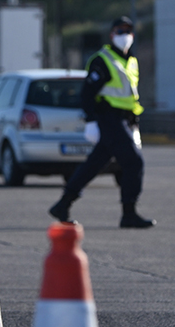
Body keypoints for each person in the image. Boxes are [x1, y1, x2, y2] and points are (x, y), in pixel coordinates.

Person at [49, 16, 155, 229]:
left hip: (124, 120)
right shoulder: (103, 60)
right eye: (120, 31)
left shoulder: (131, 60)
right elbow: (88, 94)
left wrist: (134, 122)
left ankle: (63, 204)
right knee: (134, 162)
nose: (124, 36)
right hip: (109, 118)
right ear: (111, 35)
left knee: (95, 164)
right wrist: (91, 121)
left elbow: (129, 96)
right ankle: (129, 213)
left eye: (128, 31)